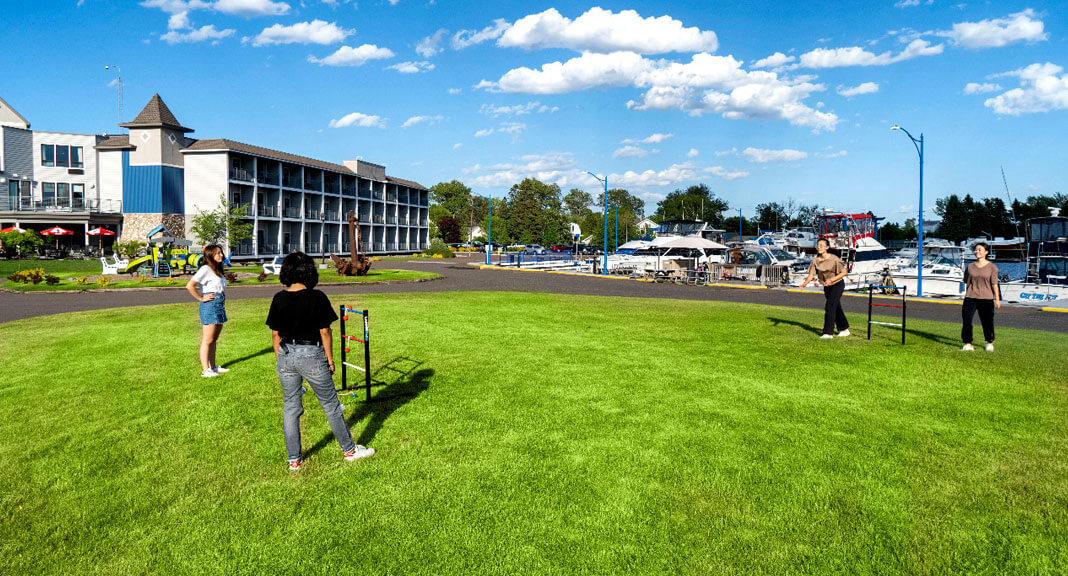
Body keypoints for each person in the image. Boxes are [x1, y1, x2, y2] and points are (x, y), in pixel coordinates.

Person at [266, 251, 374, 472]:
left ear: (286, 272)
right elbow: (325, 331)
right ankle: (350, 451)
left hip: (286, 355)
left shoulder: (279, 298)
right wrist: (330, 360)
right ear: (310, 272)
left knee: (291, 408)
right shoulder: (317, 297)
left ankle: (294, 460)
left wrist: (281, 359)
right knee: (331, 405)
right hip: (311, 354)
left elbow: (275, 334)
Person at [186, 244, 229, 377]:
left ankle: (213, 366)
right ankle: (206, 370)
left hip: (219, 304)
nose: (220, 255)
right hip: (210, 305)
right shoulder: (205, 269)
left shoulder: (218, 270)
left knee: (214, 339)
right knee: (207, 339)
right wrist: (200, 298)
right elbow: (190, 285)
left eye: (221, 253)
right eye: (217, 253)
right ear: (210, 255)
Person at [799, 238, 851, 339]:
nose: (819, 247)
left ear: (827, 247)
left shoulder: (834, 259)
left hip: (837, 284)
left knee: (830, 306)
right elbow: (811, 275)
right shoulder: (815, 261)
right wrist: (805, 283)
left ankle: (828, 333)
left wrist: (831, 280)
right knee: (836, 307)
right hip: (827, 286)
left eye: (822, 245)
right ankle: (844, 329)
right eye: (818, 245)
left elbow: (844, 272)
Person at [961, 242, 1000, 351]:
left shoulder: (992, 267)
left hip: (986, 298)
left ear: (986, 252)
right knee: (967, 320)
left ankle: (989, 342)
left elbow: (994, 284)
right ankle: (968, 343)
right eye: (975, 250)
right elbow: (966, 281)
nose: (976, 252)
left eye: (979, 250)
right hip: (971, 297)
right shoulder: (970, 267)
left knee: (987, 322)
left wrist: (997, 299)